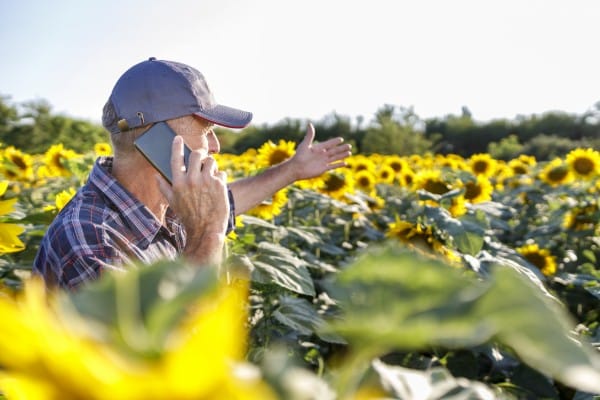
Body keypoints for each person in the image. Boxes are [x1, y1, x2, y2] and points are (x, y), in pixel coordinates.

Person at [33, 57, 352, 289]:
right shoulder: (90, 240)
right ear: (157, 139)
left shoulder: (163, 202)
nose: (216, 146)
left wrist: (292, 169)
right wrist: (207, 234)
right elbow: (151, 362)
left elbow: (228, 201)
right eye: (207, 130)